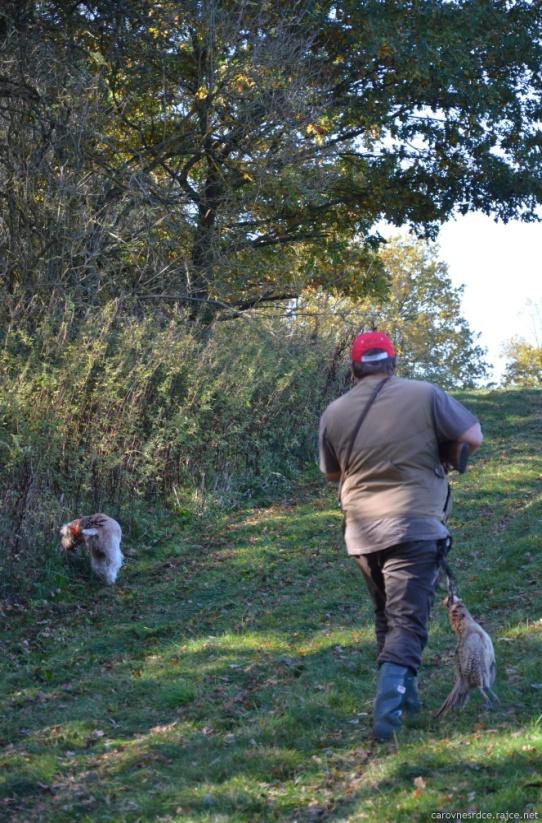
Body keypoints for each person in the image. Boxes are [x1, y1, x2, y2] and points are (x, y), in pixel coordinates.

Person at [318, 330, 483, 741]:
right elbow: (472, 438)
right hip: (414, 523)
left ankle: (407, 705)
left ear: (354, 367)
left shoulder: (333, 411)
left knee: (386, 618)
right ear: (392, 361)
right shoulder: (425, 394)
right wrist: (441, 455)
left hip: (361, 529)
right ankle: (386, 718)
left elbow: (332, 473)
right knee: (408, 624)